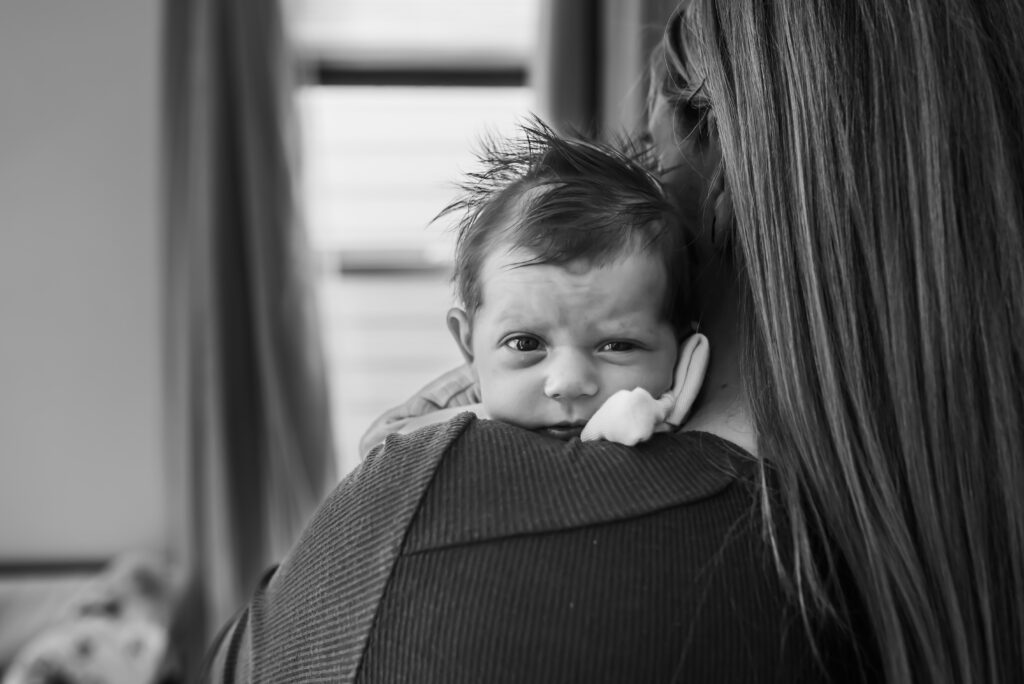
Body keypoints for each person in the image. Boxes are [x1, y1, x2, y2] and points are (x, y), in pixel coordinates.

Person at [358, 121, 710, 457]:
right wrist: (487, 422)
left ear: (680, 344)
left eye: (618, 345)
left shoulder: (699, 402)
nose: (569, 384)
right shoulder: (463, 398)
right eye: (526, 344)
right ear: (469, 344)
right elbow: (380, 448)